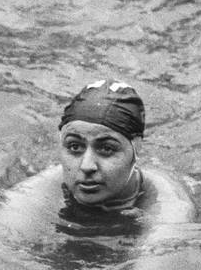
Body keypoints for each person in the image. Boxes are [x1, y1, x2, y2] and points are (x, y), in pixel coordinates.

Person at [58, 79, 152, 216]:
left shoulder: (169, 205)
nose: (87, 166)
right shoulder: (34, 193)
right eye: (75, 146)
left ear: (136, 148)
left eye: (106, 149)